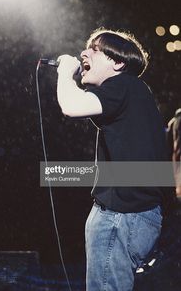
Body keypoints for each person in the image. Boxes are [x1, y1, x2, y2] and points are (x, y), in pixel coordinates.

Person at [56, 28, 175, 291]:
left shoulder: (123, 85)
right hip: (132, 216)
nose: (84, 52)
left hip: (122, 217)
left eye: (95, 49)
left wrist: (65, 72)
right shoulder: (132, 93)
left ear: (118, 63)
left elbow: (71, 106)